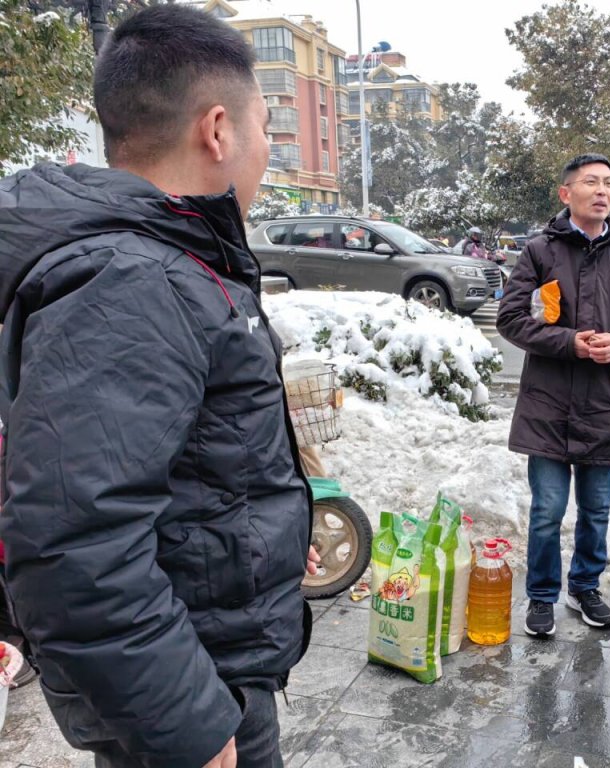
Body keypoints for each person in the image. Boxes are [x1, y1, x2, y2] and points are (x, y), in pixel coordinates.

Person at [0, 6, 320, 766]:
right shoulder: (137, 278)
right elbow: (75, 539)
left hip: (198, 658)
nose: (267, 152)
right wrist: (186, 723)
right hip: (191, 687)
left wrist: (270, 538)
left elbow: (186, 467)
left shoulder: (165, 261)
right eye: (265, 129)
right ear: (218, 131)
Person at [497, 153, 610, 637]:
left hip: (602, 403)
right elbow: (512, 319)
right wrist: (569, 342)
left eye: (609, 183)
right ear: (566, 193)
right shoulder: (539, 252)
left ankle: (585, 586)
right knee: (547, 511)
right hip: (546, 404)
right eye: (591, 182)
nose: (603, 191)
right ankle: (542, 594)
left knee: (597, 509)